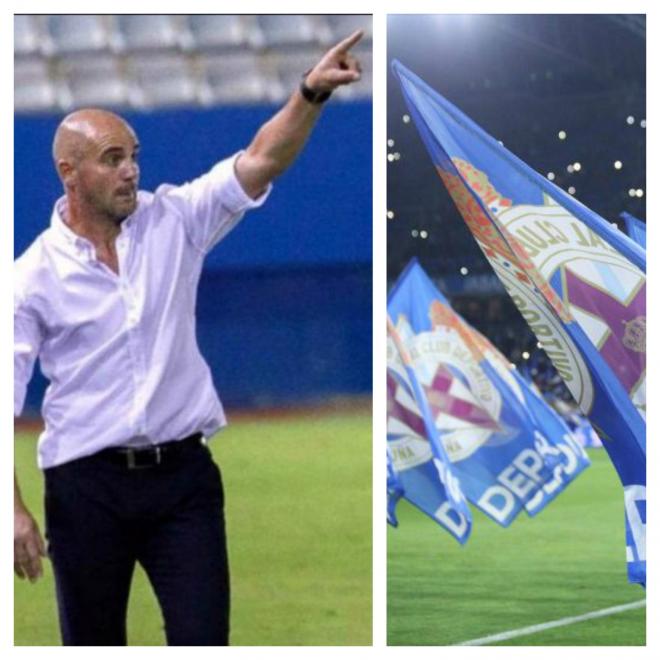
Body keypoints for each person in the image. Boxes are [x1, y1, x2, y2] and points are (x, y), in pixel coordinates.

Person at [14, 30, 364, 646]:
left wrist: (309, 93)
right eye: (113, 158)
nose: (131, 170)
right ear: (69, 173)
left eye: (134, 155)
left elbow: (260, 160)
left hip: (183, 483)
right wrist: (10, 509)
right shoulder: (29, 279)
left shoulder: (174, 219)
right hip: (84, 490)